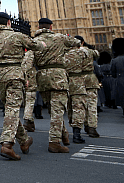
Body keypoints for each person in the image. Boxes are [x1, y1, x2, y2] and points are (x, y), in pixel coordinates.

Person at [0, 12, 45, 161]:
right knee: (12, 109)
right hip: (14, 75)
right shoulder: (17, 36)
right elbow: (34, 45)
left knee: (10, 108)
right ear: (8, 22)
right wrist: (42, 44)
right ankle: (7, 144)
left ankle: (24, 140)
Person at [26, 17, 79, 153]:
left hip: (42, 77)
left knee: (53, 109)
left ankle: (64, 134)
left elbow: (27, 62)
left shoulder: (34, 41)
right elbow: (76, 42)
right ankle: (54, 142)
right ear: (50, 27)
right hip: (58, 76)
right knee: (58, 110)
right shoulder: (59, 37)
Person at [65, 35, 100, 142]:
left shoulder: (67, 54)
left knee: (78, 105)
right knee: (91, 104)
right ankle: (92, 127)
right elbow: (97, 53)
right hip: (90, 78)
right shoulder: (87, 51)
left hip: (75, 80)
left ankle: (81, 125)